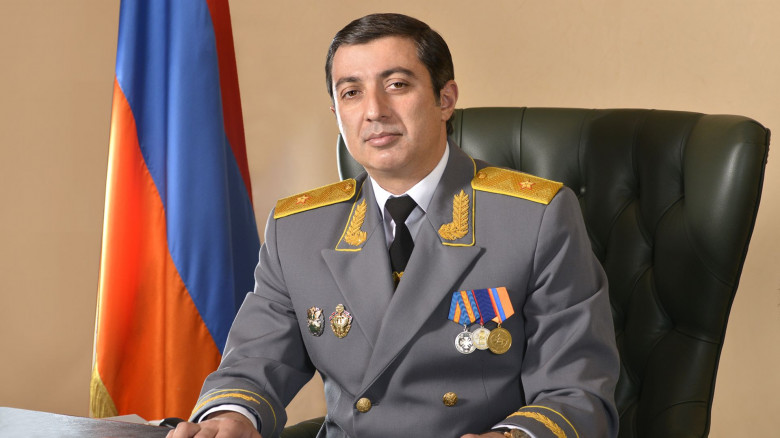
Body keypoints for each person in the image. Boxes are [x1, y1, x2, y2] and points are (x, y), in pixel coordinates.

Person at [169, 13, 619, 438]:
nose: (374, 111)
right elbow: (254, 362)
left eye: (397, 85)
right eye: (351, 92)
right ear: (337, 114)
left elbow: (575, 389)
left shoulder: (535, 217)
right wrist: (231, 416)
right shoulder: (299, 229)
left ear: (445, 100)